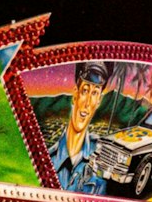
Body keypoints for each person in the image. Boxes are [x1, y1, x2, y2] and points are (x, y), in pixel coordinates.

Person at [43, 60, 111, 194]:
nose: (87, 103)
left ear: (99, 101)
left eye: (95, 93)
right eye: (85, 91)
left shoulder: (102, 159)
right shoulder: (48, 159)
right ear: (75, 94)